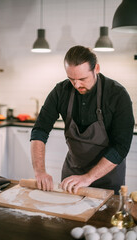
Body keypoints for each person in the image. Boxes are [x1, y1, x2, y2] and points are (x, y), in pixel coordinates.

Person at [30, 45, 134, 195]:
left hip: (107, 178)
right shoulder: (61, 91)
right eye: (71, 79)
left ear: (96, 69)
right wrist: (40, 172)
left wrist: (88, 177)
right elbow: (40, 130)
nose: (77, 85)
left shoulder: (117, 95)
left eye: (82, 79)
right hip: (72, 177)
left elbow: (121, 147)